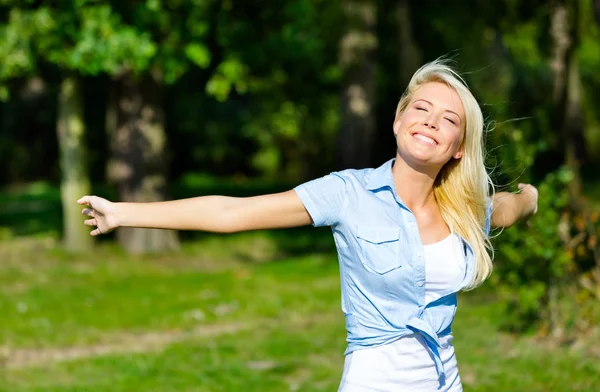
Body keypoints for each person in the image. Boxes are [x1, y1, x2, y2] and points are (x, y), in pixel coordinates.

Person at [77, 59, 538, 391]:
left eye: (449, 119)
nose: (432, 121)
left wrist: (532, 198)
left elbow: (510, 207)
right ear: (399, 121)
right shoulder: (348, 194)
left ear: (458, 146)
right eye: (421, 109)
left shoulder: (464, 209)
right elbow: (231, 213)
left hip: (445, 381)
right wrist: (123, 213)